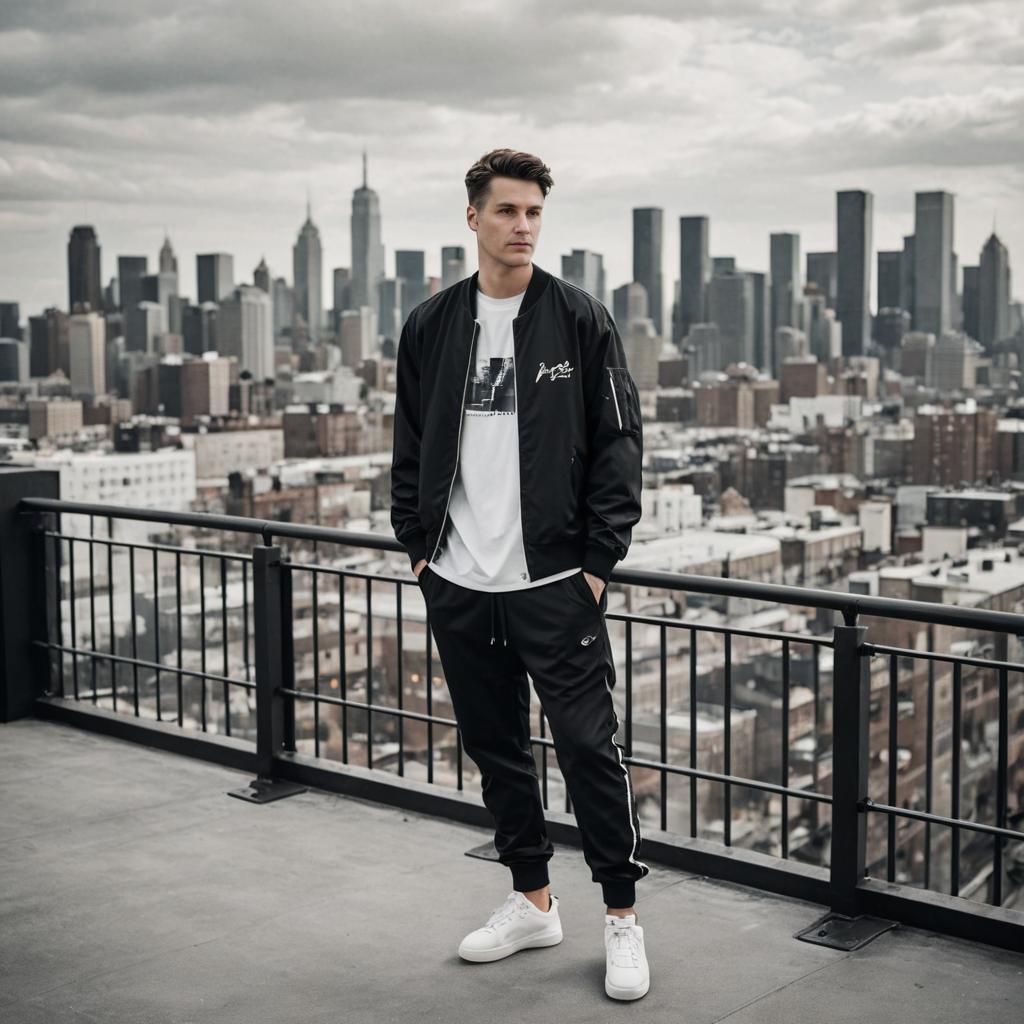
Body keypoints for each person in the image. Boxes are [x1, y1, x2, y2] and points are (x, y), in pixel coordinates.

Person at [390, 148, 649, 1000]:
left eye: (535, 212)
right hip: (460, 578)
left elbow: (619, 446)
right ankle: (532, 901)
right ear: (473, 218)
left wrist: (596, 566)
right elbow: (411, 446)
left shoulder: (580, 320)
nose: (524, 226)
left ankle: (621, 918)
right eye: (507, 211)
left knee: (586, 747)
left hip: (552, 583)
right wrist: (420, 549)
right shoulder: (431, 325)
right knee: (496, 748)